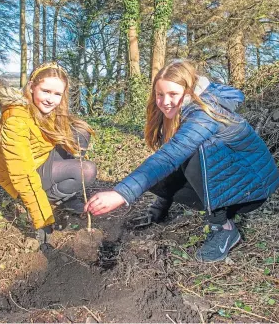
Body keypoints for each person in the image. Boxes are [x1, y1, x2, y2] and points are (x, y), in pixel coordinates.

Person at [84, 60, 279, 263]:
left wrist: (119, 194)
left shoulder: (204, 114)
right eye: (160, 94)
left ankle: (224, 228)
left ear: (188, 92)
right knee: (158, 173)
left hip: (254, 188)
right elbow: (169, 158)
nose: (165, 101)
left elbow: (171, 157)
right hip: (233, 180)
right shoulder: (178, 112)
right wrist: (160, 204)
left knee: (198, 153)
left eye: (173, 94)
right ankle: (159, 209)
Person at [0, 62, 97, 248]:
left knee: (80, 131)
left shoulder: (48, 110)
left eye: (57, 94)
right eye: (45, 91)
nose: (51, 99)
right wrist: (43, 220)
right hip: (24, 175)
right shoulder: (16, 120)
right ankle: (51, 199)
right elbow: (22, 175)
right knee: (86, 171)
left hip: (41, 159)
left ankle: (65, 196)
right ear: (32, 87)